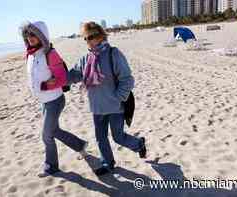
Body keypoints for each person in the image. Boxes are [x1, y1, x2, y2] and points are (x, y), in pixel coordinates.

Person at [68, 22, 147, 176]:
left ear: (100, 35)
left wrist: (118, 97)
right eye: (85, 38)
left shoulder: (113, 53)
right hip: (97, 108)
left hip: (115, 107)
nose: (88, 41)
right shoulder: (86, 59)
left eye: (91, 36)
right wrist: (57, 79)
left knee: (118, 137)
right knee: (101, 138)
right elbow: (74, 75)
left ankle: (139, 144)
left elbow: (127, 79)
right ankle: (107, 163)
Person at [20, 21, 88, 176]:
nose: (30, 37)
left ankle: (51, 166)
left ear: (41, 35)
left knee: (46, 135)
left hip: (55, 100)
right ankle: (80, 145)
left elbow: (62, 78)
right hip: (44, 101)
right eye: (28, 34)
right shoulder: (31, 54)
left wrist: (44, 86)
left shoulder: (50, 53)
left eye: (33, 34)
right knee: (54, 131)